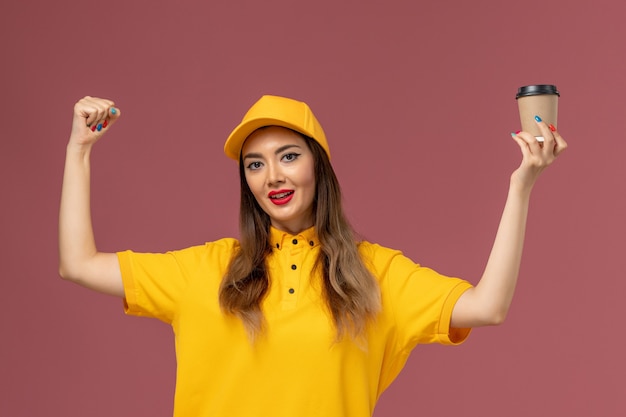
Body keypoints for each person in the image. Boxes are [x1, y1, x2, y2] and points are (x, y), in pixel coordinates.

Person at [59, 94, 567, 417]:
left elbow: (488, 307)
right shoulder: (204, 269)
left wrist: (521, 188)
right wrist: (79, 150)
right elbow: (77, 263)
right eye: (255, 164)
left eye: (288, 156)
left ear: (318, 166)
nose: (272, 176)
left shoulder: (377, 274)